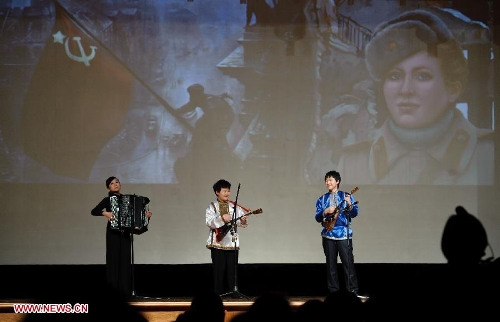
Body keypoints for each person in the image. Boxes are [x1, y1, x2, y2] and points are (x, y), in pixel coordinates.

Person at [337, 9, 494, 185]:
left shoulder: (491, 155)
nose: (406, 90)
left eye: (422, 76)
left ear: (453, 90)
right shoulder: (353, 163)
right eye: (395, 76)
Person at [91, 176, 152, 297]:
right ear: (108, 186)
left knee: (125, 263)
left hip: (125, 234)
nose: (115, 184)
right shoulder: (108, 200)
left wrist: (146, 217)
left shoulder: (128, 200)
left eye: (117, 182)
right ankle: (112, 294)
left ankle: (125, 294)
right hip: (113, 234)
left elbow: (134, 219)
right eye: (112, 183)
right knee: (113, 262)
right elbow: (94, 211)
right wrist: (105, 213)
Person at [314, 170, 365, 298]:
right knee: (331, 264)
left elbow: (354, 213)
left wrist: (349, 204)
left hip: (343, 233)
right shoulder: (322, 199)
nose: (327, 182)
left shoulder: (346, 195)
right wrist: (325, 211)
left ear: (337, 181)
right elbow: (317, 217)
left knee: (348, 263)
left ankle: (352, 291)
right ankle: (333, 293)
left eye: (330, 180)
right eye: (326, 180)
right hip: (328, 233)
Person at [205, 179, 249, 296]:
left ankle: (233, 292)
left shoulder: (234, 206)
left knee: (232, 270)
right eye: (224, 191)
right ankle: (217, 295)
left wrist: (243, 221)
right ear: (217, 192)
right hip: (217, 243)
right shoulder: (212, 206)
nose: (227, 193)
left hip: (231, 242)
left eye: (228, 191)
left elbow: (240, 221)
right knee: (219, 270)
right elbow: (209, 222)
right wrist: (222, 218)